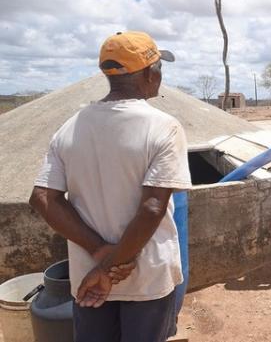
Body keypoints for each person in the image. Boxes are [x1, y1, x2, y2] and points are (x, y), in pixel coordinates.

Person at [29, 31, 192, 342]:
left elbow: (43, 199)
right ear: (149, 73)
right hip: (145, 279)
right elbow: (153, 206)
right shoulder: (163, 127)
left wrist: (98, 254)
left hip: (88, 279)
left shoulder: (70, 127)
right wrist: (110, 264)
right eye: (159, 67)